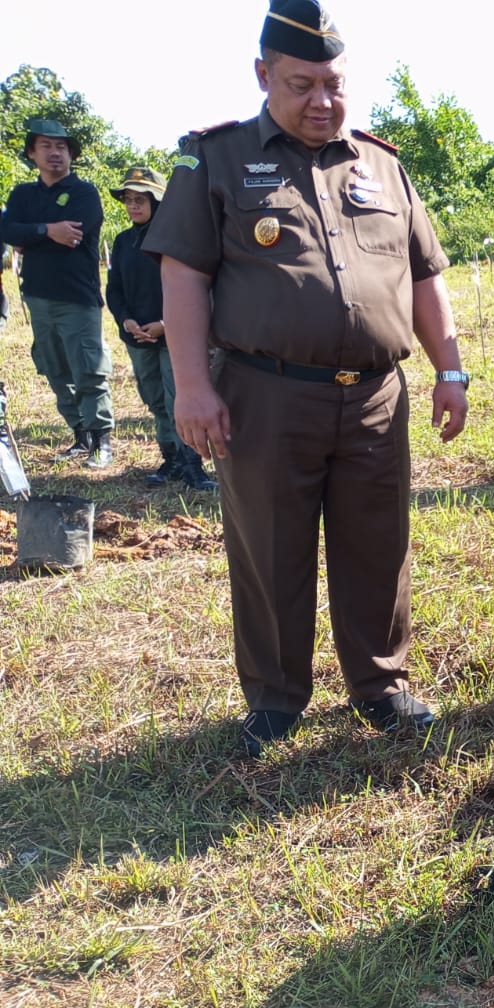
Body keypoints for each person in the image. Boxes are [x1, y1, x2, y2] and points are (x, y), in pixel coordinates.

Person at [145, 0, 469, 757]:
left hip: (376, 395)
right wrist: (191, 385)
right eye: (301, 85)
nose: (322, 101)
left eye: (334, 84)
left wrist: (449, 369)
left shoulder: (383, 165)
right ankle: (275, 698)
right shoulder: (213, 159)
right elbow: (183, 273)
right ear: (263, 75)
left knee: (378, 544)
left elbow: (425, 276)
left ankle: (382, 686)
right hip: (264, 392)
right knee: (269, 546)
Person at [0, 118, 116, 468]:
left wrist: (30, 237)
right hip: (37, 295)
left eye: (61, 147)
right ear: (32, 153)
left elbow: (74, 235)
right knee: (53, 367)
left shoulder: (84, 193)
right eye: (46, 146)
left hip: (77, 297)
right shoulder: (22, 194)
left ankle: (102, 440)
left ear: (71, 154)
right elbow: (8, 230)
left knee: (88, 368)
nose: (55, 153)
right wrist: (48, 229)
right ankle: (80, 435)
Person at [105, 167, 215, 492]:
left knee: (177, 398)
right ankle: (171, 459)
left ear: (158, 201)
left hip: (174, 335)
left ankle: (193, 464)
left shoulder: (177, 240)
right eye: (128, 200)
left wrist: (166, 325)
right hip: (137, 336)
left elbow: (198, 291)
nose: (133, 206)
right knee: (153, 399)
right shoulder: (124, 241)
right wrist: (126, 319)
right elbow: (115, 289)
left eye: (140, 199)